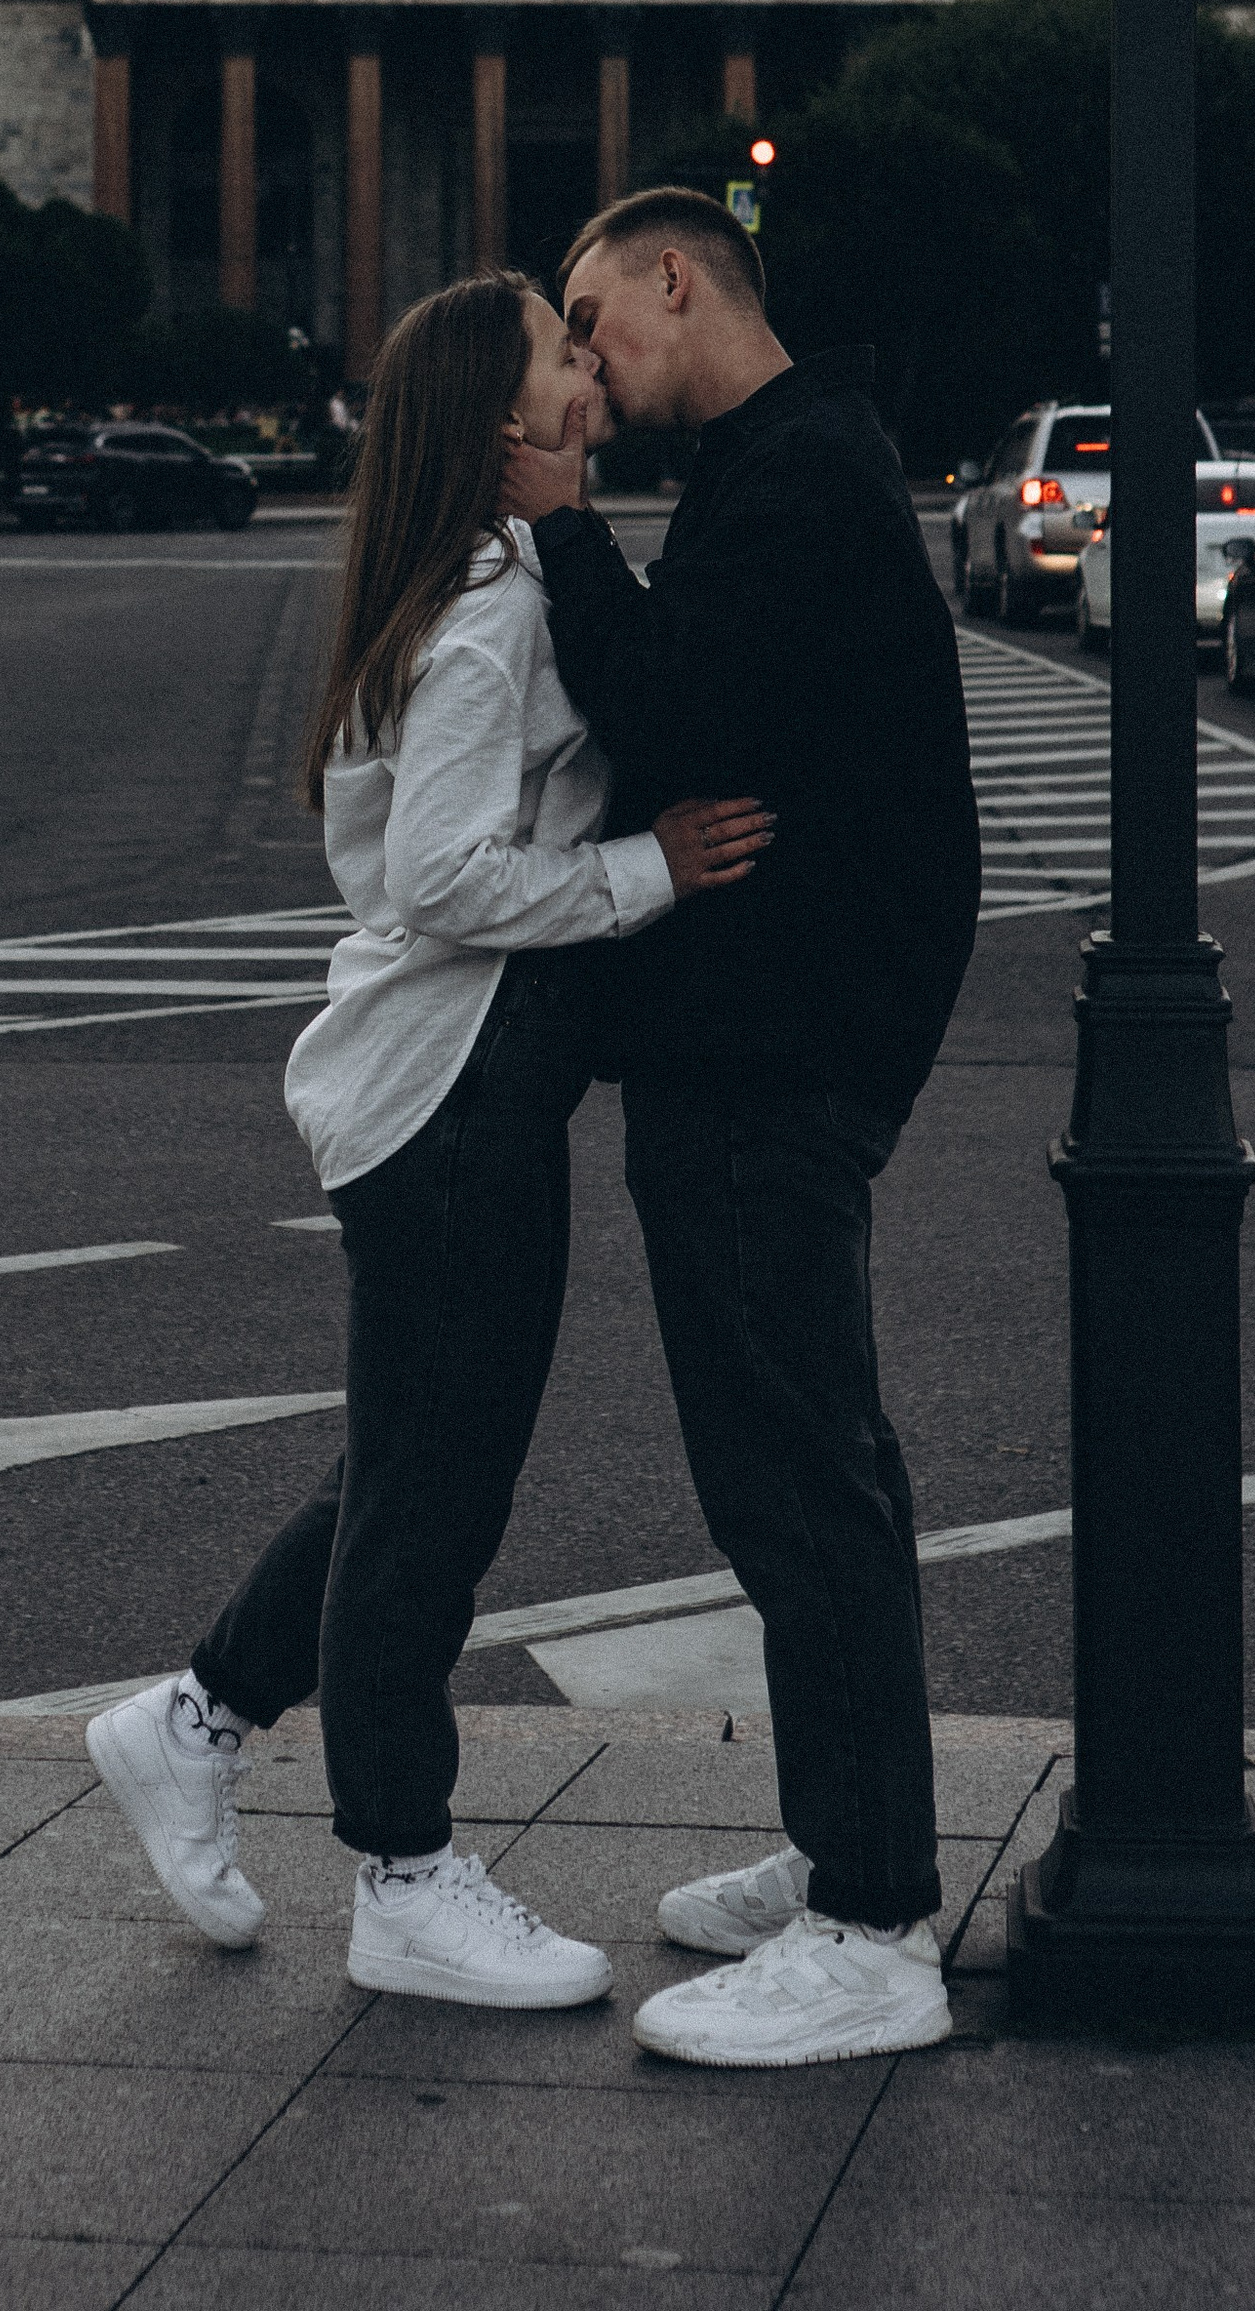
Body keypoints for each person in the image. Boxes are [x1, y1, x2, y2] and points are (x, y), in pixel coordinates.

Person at [89, 272, 772, 2011]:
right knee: (437, 1499)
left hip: (449, 1085)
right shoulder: (487, 607)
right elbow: (437, 875)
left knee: (410, 1460)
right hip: (455, 1091)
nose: (589, 358)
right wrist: (651, 874)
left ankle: (194, 1722)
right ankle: (402, 1870)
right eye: (563, 344)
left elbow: (376, 841)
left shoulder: (477, 578)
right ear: (504, 417)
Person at [499, 186, 981, 2074]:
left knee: (800, 1481)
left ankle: (872, 1926)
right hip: (781, 1040)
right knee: (805, 1474)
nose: (589, 364)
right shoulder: (797, 461)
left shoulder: (790, 484)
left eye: (597, 318)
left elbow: (670, 706)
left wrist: (561, 537)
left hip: (773, 1053)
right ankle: (848, 1851)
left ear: (679, 281)